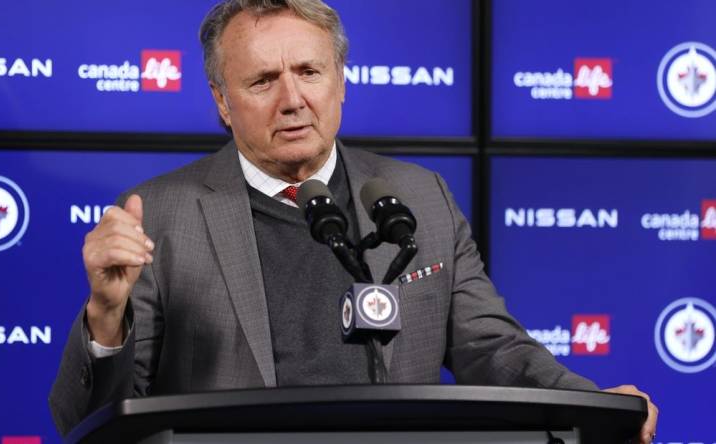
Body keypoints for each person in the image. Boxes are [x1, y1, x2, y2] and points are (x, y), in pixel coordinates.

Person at [49, 0, 658, 441]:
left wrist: (592, 402)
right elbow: (87, 422)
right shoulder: (162, 214)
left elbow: (491, 348)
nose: (292, 99)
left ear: (341, 82)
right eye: (262, 80)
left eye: (309, 72)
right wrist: (106, 317)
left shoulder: (420, 195)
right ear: (220, 102)